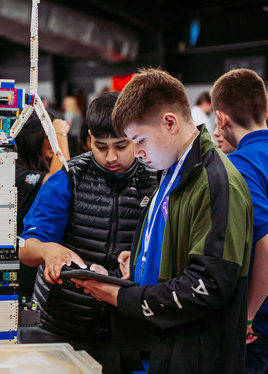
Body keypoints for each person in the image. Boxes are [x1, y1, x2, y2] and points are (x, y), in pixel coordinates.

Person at [77, 68, 253, 374]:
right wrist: (142, 259)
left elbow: (208, 284)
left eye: (139, 139)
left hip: (196, 357)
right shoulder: (170, 170)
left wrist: (124, 297)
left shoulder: (215, 181)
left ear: (170, 122)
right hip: (162, 347)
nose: (138, 152)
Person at [19, 91, 156, 373]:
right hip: (57, 328)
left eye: (121, 145)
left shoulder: (155, 181)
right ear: (89, 137)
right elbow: (26, 248)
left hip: (120, 333)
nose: (111, 157)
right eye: (100, 146)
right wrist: (47, 250)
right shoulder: (67, 178)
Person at [211, 68, 268, 374]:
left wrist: (247, 316)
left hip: (260, 325)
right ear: (267, 110)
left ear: (221, 118)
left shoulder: (241, 165)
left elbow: (266, 246)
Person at [15, 114, 71, 300]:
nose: (52, 143)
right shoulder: (15, 172)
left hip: (39, 274)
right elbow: (56, 183)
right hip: (20, 274)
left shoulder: (38, 167)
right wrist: (60, 134)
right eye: (48, 136)